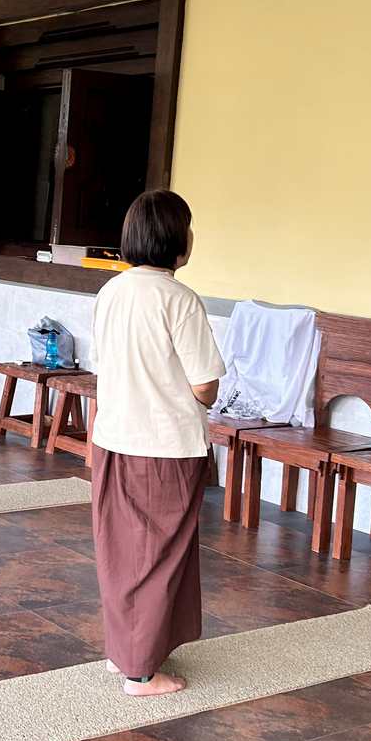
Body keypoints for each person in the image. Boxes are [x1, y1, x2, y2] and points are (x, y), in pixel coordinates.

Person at [90, 190, 225, 697]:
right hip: (164, 445)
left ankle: (123, 650)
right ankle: (140, 672)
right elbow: (205, 386)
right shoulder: (179, 299)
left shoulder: (111, 292)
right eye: (188, 226)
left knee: (122, 551)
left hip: (113, 438)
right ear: (174, 238)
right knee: (158, 556)